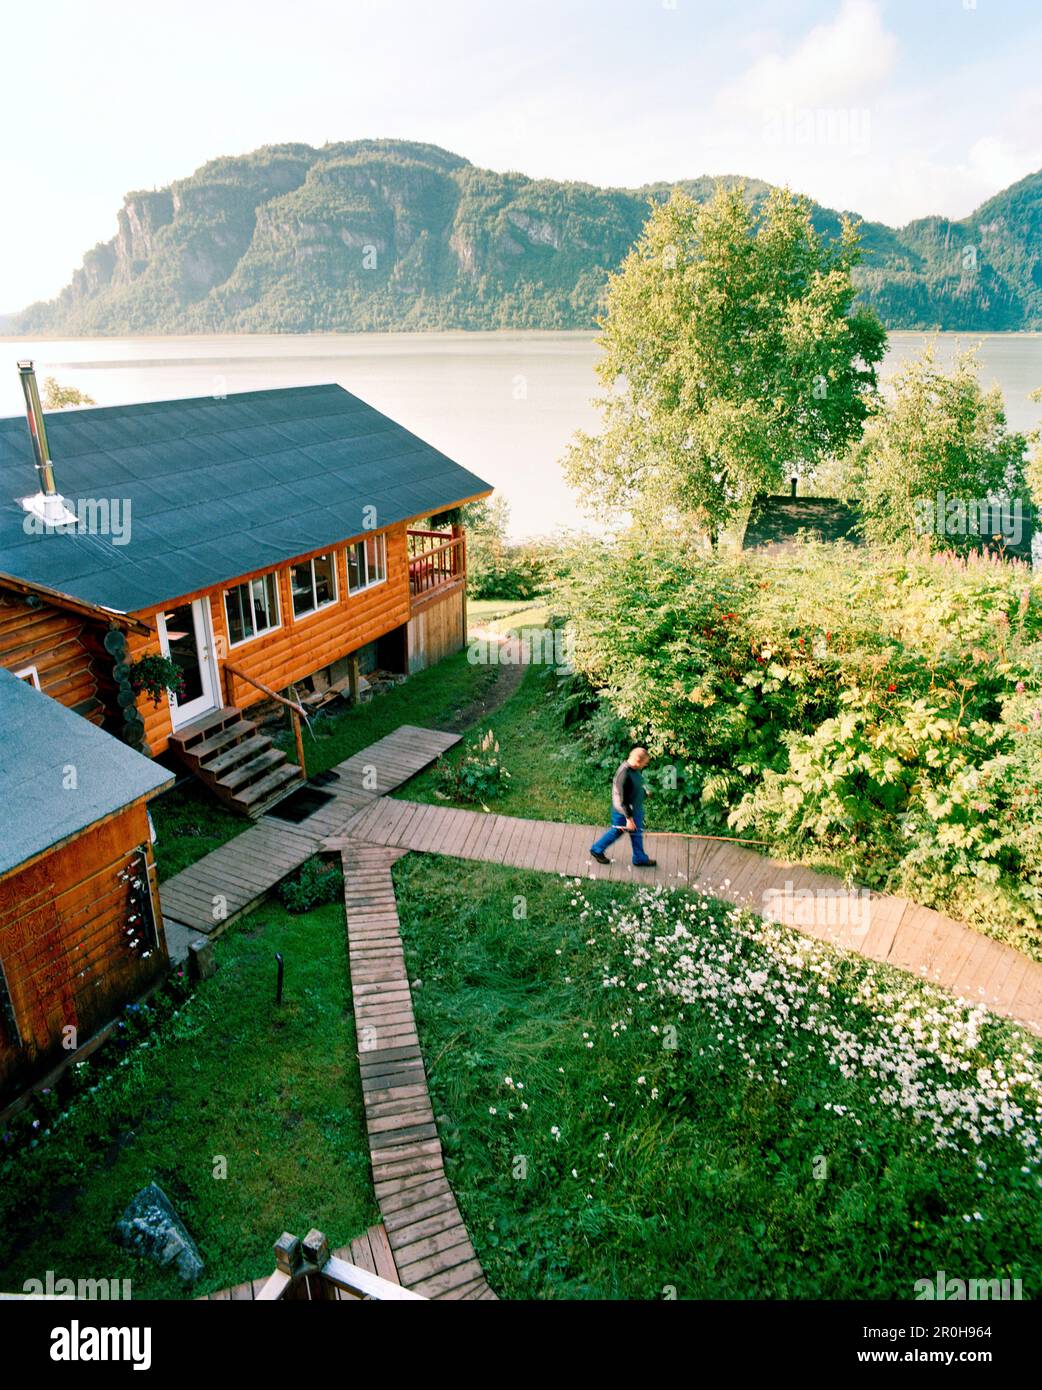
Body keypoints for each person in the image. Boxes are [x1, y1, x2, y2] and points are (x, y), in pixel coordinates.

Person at [590, 746, 657, 867]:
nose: (645, 765)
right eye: (645, 763)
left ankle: (639, 858)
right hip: (624, 813)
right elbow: (623, 801)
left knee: (636, 833)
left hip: (635, 809)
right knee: (617, 831)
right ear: (638, 761)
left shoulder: (634, 769)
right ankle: (597, 849)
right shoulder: (624, 775)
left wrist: (643, 792)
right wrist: (629, 820)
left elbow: (634, 786)